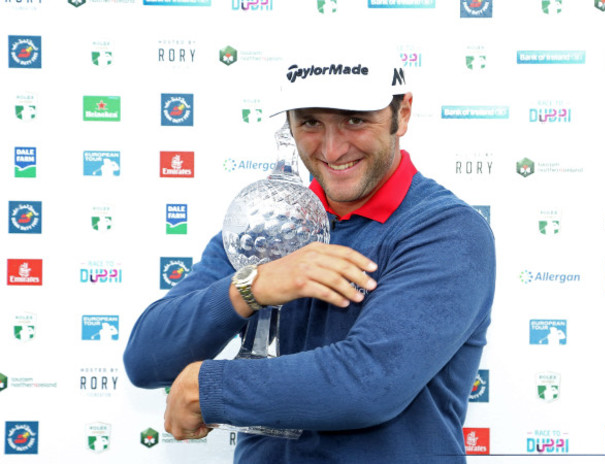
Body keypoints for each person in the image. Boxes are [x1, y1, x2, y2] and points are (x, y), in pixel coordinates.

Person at [123, 46, 496, 463]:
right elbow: (145, 359)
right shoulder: (267, 225)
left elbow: (368, 383)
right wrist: (254, 286)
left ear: (402, 114)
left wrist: (206, 387)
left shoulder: (446, 230)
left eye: (355, 120)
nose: (333, 149)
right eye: (311, 122)